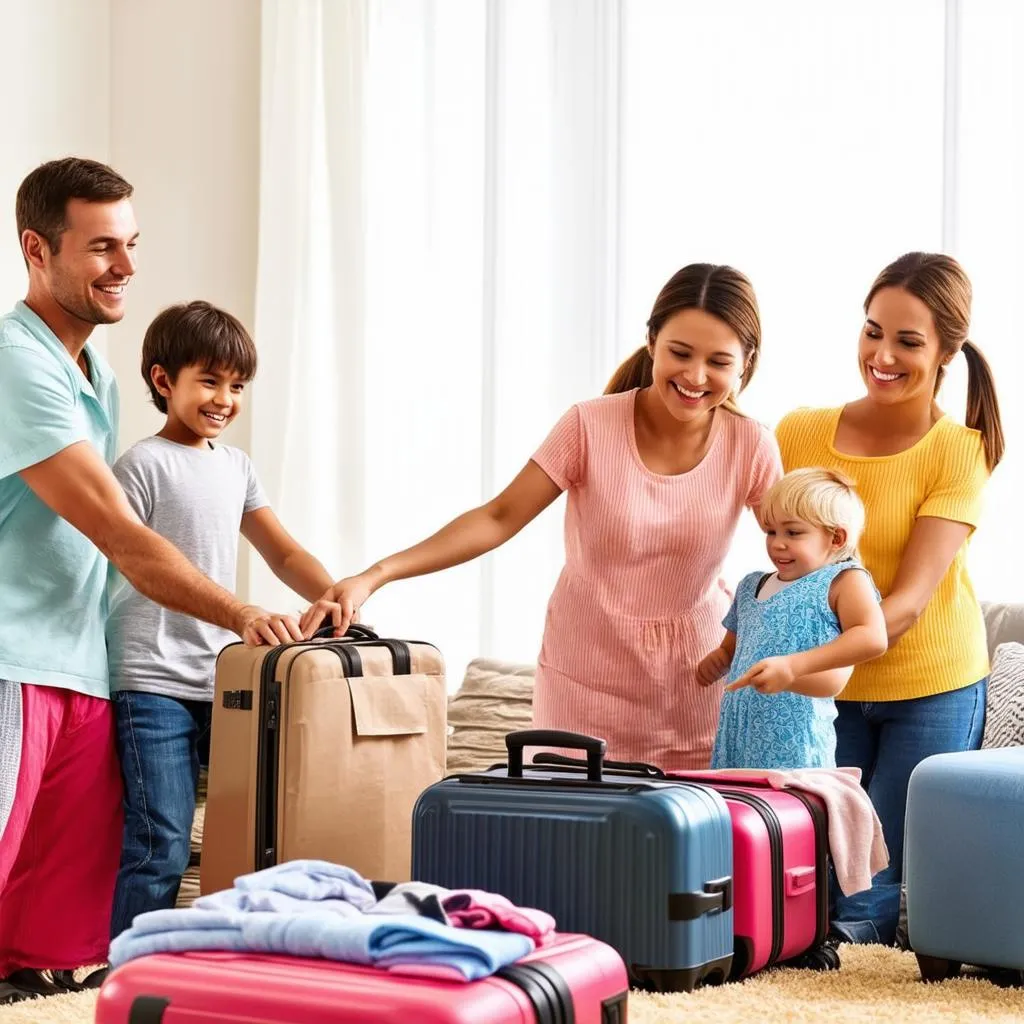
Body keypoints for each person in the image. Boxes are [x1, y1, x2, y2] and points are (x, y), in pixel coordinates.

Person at [0, 158, 300, 1004]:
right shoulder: (16, 362)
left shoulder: (91, 371)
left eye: (132, 244)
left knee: (62, 891)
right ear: (37, 249)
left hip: (83, 658)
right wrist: (240, 611)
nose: (126, 266)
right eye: (102, 247)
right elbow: (122, 536)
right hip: (15, 654)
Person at [302, 263, 782, 770]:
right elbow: (498, 516)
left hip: (695, 684)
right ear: (651, 341)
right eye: (680, 353)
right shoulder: (589, 425)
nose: (695, 376)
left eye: (719, 362)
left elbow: (799, 552)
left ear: (745, 364)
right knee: (573, 837)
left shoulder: (750, 444)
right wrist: (374, 576)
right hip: (585, 675)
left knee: (686, 843)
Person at [776, 251, 1002, 945]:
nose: (882, 354)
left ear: (945, 352)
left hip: (930, 685)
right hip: (827, 688)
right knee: (808, 857)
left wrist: (797, 664)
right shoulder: (799, 433)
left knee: (871, 878)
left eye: (908, 341)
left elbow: (903, 603)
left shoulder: (958, 450)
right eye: (873, 331)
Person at [107, 301, 337, 938]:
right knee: (162, 840)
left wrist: (338, 591)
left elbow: (283, 551)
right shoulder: (141, 464)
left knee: (257, 830)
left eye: (237, 386)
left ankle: (222, 952)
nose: (225, 399)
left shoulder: (236, 467)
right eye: (209, 380)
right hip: (152, 685)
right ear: (163, 381)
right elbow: (128, 560)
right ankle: (125, 964)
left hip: (226, 684)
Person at [697, 467, 887, 769]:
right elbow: (732, 649)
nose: (777, 543)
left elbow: (873, 636)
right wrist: (718, 660)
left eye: (793, 532)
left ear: (836, 538)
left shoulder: (843, 580)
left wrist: (791, 667)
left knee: (786, 815)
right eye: (771, 531)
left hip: (795, 745)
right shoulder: (750, 586)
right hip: (738, 738)